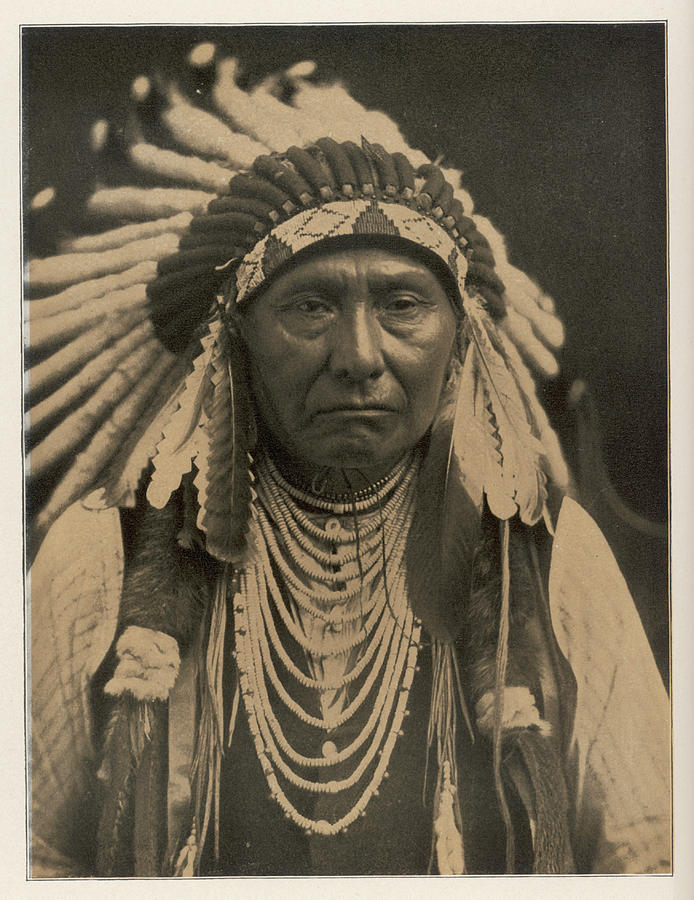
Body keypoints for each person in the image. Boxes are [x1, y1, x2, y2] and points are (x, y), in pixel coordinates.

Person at [27, 48, 670, 878]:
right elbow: (30, 862)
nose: (359, 356)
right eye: (310, 305)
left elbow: (649, 859)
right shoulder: (99, 563)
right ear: (236, 342)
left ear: (459, 339)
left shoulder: (546, 561)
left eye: (403, 305)